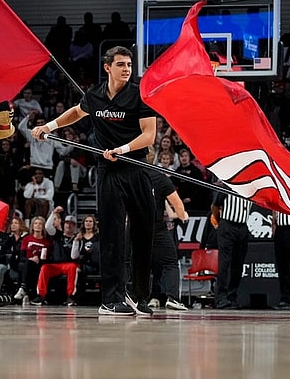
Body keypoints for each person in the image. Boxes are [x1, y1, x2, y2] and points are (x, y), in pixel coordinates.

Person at [31, 46, 156, 316]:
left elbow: (149, 135)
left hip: (135, 166)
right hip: (108, 172)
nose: (127, 69)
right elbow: (76, 112)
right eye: (121, 64)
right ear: (107, 67)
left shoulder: (139, 95)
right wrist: (48, 127)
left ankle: (139, 294)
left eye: (129, 65)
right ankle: (111, 299)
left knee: (144, 231)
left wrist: (121, 150)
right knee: (111, 235)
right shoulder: (95, 96)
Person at [148, 168, 189, 311]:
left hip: (136, 226)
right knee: (171, 262)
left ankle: (134, 297)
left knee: (134, 263)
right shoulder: (160, 178)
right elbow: (177, 204)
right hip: (156, 226)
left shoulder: (130, 175)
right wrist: (183, 216)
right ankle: (172, 298)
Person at [211, 191, 252, 309]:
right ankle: (221, 298)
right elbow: (214, 206)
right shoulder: (227, 186)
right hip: (227, 225)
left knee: (238, 264)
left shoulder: (250, 189)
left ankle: (232, 296)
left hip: (242, 226)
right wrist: (220, 223)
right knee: (224, 263)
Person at [33, 208, 79, 306]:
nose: (68, 225)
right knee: (45, 268)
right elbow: (48, 226)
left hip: (68, 264)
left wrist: (76, 241)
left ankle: (70, 296)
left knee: (72, 267)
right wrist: (54, 213)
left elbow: (75, 256)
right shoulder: (59, 235)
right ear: (64, 224)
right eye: (67, 223)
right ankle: (40, 296)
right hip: (56, 264)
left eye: (71, 223)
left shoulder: (78, 238)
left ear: (75, 226)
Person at [14, 216, 52, 304]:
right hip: (27, 262)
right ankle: (24, 289)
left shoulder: (46, 242)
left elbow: (46, 257)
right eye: (35, 223)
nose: (37, 225)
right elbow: (22, 256)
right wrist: (31, 259)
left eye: (40, 224)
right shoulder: (26, 239)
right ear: (32, 226)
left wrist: (38, 259)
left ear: (43, 226)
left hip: (40, 264)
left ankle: (24, 290)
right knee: (28, 263)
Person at [0, 217, 28, 293]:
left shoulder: (25, 238)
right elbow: (2, 252)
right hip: (6, 263)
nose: (13, 225)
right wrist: (3, 256)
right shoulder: (8, 238)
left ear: (21, 225)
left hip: (19, 264)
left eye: (16, 223)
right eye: (12, 223)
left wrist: (8, 255)